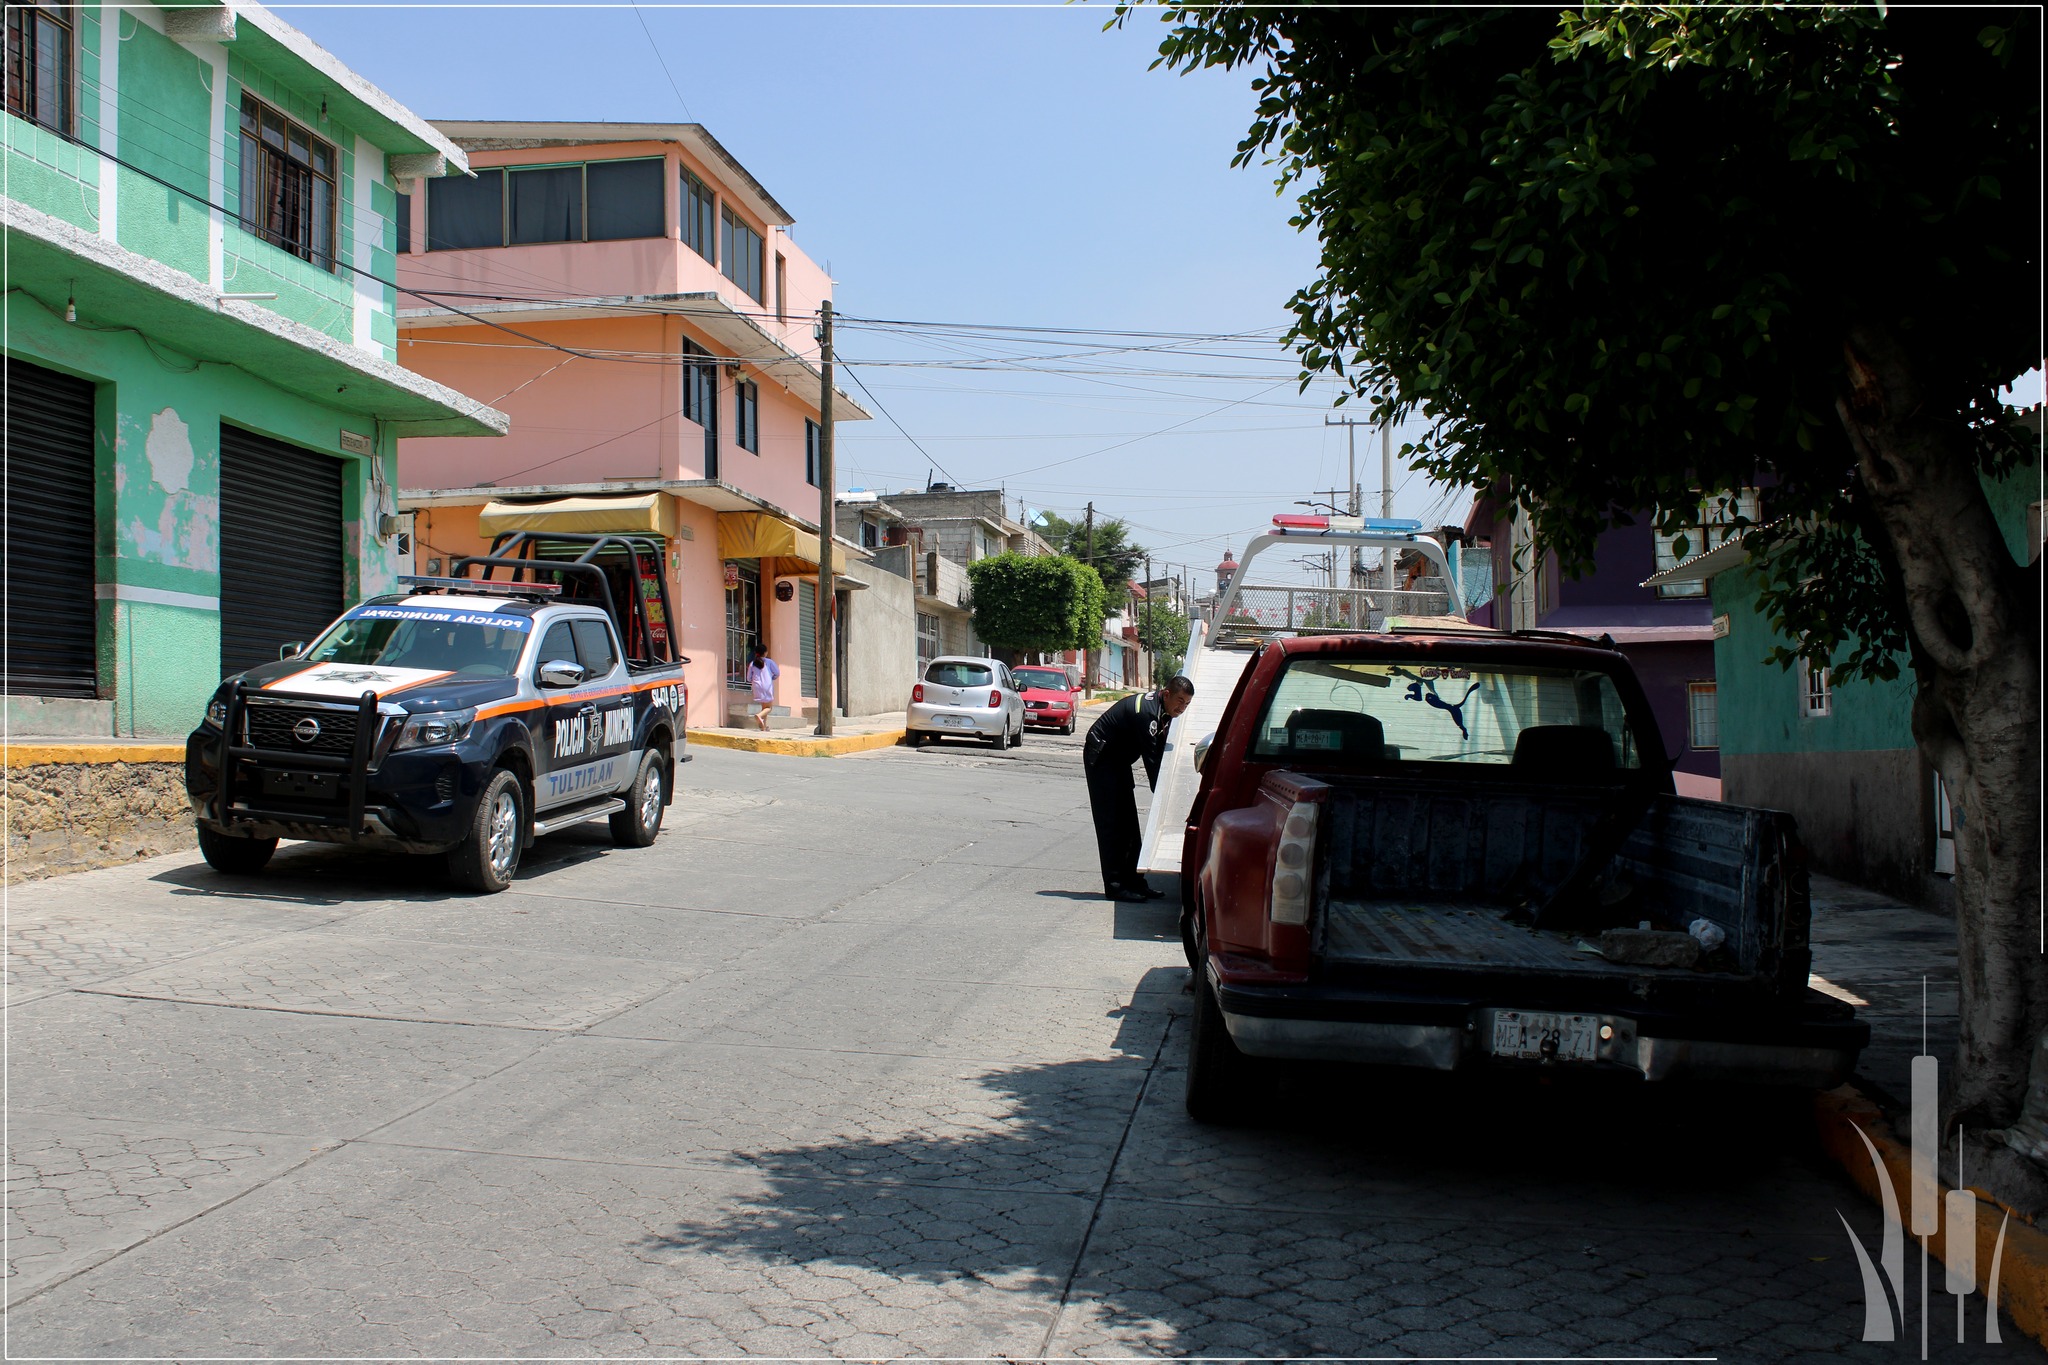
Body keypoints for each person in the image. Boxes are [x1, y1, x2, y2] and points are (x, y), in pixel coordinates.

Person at [1083, 675, 1195, 902]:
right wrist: (1167, 804)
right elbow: (1153, 763)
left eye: (1187, 704)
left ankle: (1135, 882)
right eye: (1180, 701)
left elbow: (1162, 754)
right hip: (1102, 759)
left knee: (1129, 824)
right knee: (1112, 826)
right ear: (1166, 694)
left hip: (1118, 761)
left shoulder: (1164, 711)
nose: (1182, 708)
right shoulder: (1147, 714)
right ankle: (1116, 886)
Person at [745, 643, 779, 731]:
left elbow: (748, 678)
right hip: (767, 686)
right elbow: (777, 673)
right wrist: (772, 678)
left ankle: (763, 727)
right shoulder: (769, 662)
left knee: (764, 706)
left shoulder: (752, 663)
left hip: (756, 686)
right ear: (765, 652)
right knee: (769, 708)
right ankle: (759, 715)